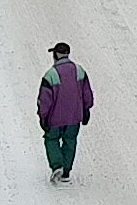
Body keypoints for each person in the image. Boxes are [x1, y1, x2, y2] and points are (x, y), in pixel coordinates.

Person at [37, 42, 94, 184]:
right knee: (70, 140)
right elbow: (87, 92)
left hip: (55, 118)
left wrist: (43, 116)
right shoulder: (79, 71)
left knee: (51, 139)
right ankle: (66, 171)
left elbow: (44, 99)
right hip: (74, 116)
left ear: (55, 55)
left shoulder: (50, 75)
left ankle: (57, 165)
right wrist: (86, 109)